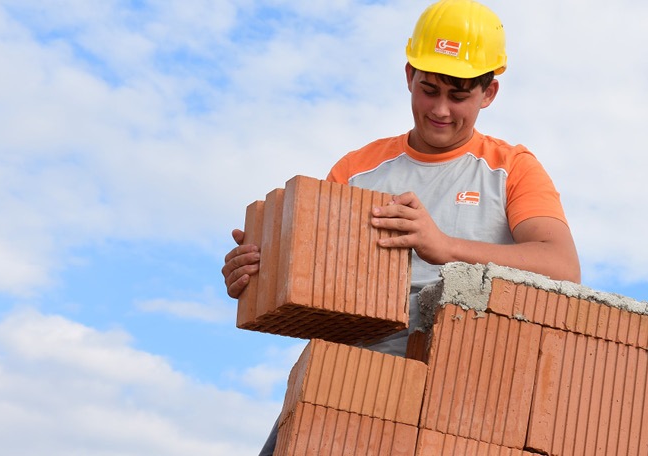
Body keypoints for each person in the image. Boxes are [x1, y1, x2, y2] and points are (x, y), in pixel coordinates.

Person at [219, 0, 580, 453]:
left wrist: (445, 247)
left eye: (459, 96)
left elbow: (562, 266)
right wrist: (262, 273)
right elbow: (315, 286)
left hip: (461, 393)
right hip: (348, 382)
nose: (441, 109)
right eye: (429, 90)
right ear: (409, 75)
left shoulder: (512, 169)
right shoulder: (357, 171)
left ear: (489, 93)